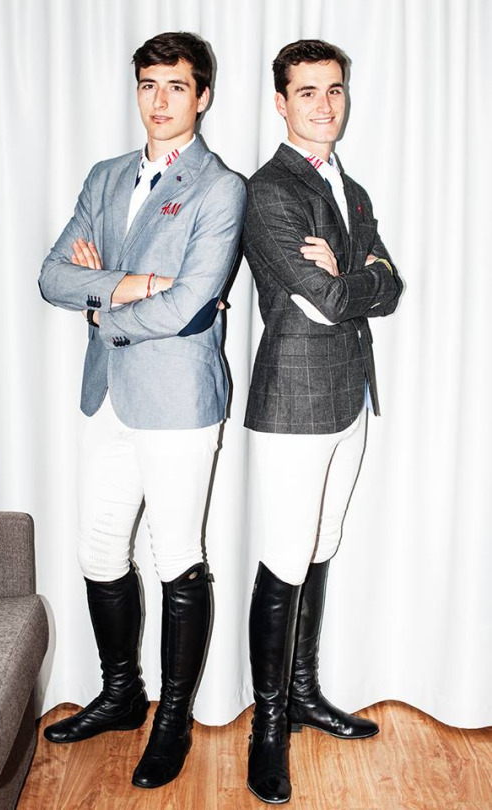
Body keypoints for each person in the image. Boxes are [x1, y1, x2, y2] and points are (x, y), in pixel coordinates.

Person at [38, 31, 246, 790]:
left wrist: (103, 307)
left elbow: (192, 304)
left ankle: (173, 720)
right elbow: (52, 276)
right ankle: (123, 694)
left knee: (176, 556)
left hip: (179, 401)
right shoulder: (104, 176)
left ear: (203, 96)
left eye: (176, 86)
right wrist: (135, 285)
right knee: (99, 553)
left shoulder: (221, 187)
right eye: (148, 85)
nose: (159, 101)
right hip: (108, 396)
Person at [243, 39, 403, 804]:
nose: (323, 105)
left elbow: (388, 284)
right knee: (284, 557)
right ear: (280, 102)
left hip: (347, 395)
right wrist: (356, 277)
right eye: (306, 92)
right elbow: (332, 298)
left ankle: (303, 693)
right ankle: (267, 729)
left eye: (333, 90)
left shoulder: (353, 189)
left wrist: (359, 276)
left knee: (321, 545)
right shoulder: (268, 191)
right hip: (293, 400)